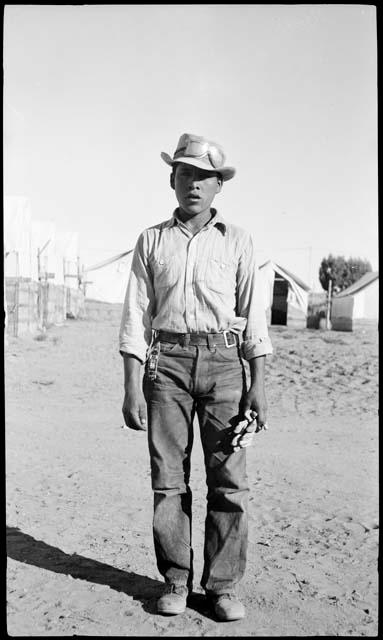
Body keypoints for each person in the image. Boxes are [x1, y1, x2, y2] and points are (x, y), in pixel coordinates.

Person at [119, 133, 273, 622]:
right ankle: (176, 582)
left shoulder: (240, 241)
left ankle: (223, 588)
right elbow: (134, 318)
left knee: (229, 482)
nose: (194, 184)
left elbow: (255, 319)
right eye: (186, 173)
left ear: (218, 186)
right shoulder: (151, 240)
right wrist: (131, 386)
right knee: (168, 481)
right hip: (166, 367)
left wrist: (259, 385)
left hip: (226, 367)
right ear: (172, 179)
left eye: (205, 176)